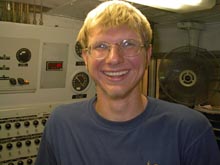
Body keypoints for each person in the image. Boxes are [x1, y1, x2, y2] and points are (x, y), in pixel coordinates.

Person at [35, 1, 220, 165]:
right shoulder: (61, 124)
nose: (114, 59)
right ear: (86, 57)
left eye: (128, 44)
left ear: (147, 55)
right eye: (101, 46)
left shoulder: (190, 129)